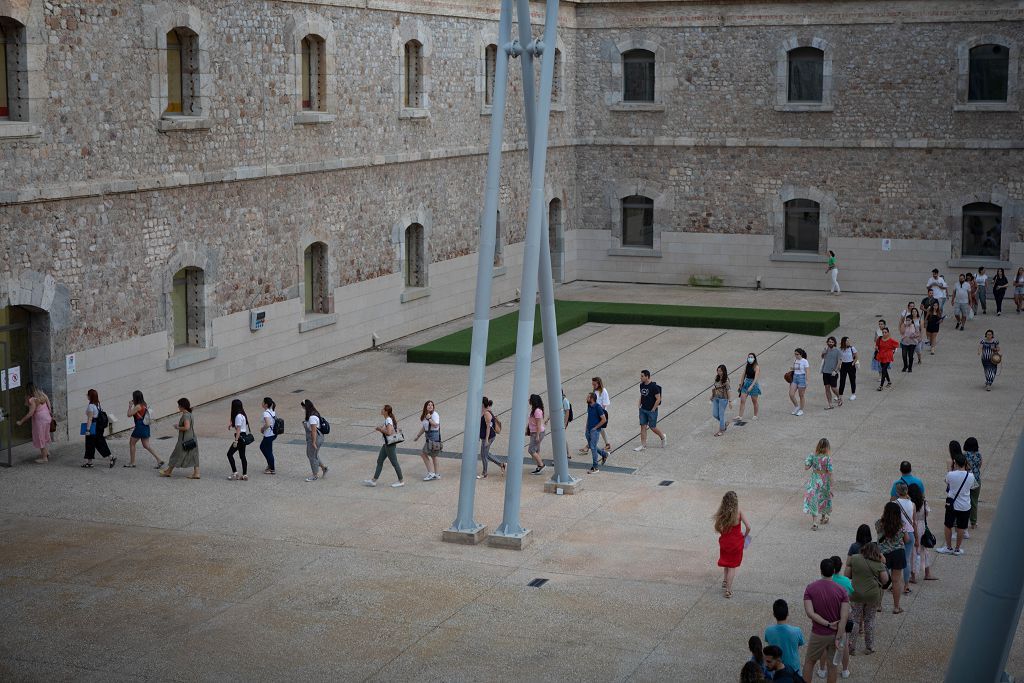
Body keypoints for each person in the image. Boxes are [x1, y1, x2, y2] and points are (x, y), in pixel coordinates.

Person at [802, 558, 850, 683]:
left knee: (809, 662)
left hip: (818, 633)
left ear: (821, 571)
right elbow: (844, 616)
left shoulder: (810, 588)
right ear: (834, 571)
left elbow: (810, 613)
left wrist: (828, 624)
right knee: (832, 666)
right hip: (835, 635)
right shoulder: (842, 591)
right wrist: (839, 636)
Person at [844, 542, 889, 656]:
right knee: (869, 620)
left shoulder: (854, 558)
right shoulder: (879, 563)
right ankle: (869, 647)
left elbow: (847, 575)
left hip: (856, 594)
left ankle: (850, 647)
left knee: (854, 620)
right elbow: (885, 580)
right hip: (872, 596)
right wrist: (883, 561)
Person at [714, 490, 750, 599]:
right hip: (736, 542)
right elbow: (748, 527)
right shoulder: (739, 512)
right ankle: (728, 590)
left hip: (725, 541)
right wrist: (744, 536)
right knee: (732, 566)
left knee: (726, 561)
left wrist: (723, 533)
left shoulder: (722, 513)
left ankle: (725, 581)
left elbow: (717, 526)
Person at [937, 451, 974, 556]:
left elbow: (946, 481)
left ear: (956, 463)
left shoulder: (951, 474)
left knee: (948, 525)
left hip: (952, 504)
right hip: (965, 505)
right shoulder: (970, 476)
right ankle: (957, 549)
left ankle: (948, 547)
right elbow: (972, 486)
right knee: (961, 527)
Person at [875, 502, 908, 613]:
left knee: (881, 580)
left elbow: (879, 537)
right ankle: (896, 607)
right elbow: (906, 539)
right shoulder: (902, 524)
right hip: (898, 553)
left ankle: (878, 605)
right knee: (896, 581)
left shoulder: (879, 523)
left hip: (883, 554)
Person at [364, 405, 405, 487]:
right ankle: (373, 480)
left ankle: (401, 481)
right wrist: (381, 429)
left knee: (394, 463)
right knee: (380, 461)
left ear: (386, 411)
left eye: (383, 409)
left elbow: (389, 432)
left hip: (390, 445)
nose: (381, 410)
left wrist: (380, 429)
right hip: (386, 444)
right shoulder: (388, 419)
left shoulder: (388, 420)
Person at [764, 599, 805, 677]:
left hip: (776, 668)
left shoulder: (768, 630)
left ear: (774, 614)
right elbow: (799, 644)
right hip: (794, 668)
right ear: (788, 613)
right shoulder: (796, 631)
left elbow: (768, 641)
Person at [160, 398, 199, 479]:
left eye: (179, 405)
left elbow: (187, 427)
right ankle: (196, 473)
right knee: (194, 455)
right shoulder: (190, 414)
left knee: (176, 454)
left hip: (184, 439)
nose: (178, 407)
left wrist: (178, 427)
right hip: (192, 437)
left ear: (182, 406)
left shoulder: (185, 415)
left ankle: (168, 471)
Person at [15, 383, 53, 464]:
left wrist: (21, 421)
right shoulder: (42, 394)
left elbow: (30, 413)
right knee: (45, 436)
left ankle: (44, 458)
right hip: (47, 417)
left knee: (40, 437)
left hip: (40, 420)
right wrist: (50, 413)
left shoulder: (32, 400)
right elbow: (49, 404)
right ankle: (47, 452)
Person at [124, 390, 162, 468]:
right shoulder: (144, 404)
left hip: (139, 427)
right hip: (145, 426)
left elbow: (129, 414)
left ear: (135, 398)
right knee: (146, 445)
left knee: (132, 443)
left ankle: (132, 462)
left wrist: (130, 406)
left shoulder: (138, 406)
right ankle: (159, 459)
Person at [907, 483, 937, 581]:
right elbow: (927, 513)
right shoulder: (924, 502)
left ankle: (913, 575)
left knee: (913, 551)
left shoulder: (910, 504)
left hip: (913, 527)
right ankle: (927, 573)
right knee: (924, 550)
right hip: (923, 526)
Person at [804, 438, 834, 530]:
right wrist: (831, 486)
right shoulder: (828, 458)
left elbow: (806, 467)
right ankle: (823, 517)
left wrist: (810, 462)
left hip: (815, 480)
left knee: (814, 499)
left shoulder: (812, 455)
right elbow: (830, 473)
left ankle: (814, 522)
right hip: (824, 480)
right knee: (824, 498)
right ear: (827, 447)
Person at [634, 369, 666, 450]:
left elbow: (658, 398)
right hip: (643, 409)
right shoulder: (641, 385)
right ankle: (643, 445)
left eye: (642, 376)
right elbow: (642, 395)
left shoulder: (654, 387)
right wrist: (639, 404)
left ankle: (663, 437)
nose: (640, 378)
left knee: (652, 427)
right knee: (643, 426)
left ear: (647, 377)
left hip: (651, 410)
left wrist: (653, 409)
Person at [82, 389, 113, 468]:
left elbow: (90, 419)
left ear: (90, 396)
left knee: (90, 444)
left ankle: (90, 462)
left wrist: (88, 430)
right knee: (99, 443)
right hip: (99, 427)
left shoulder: (91, 406)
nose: (86, 395)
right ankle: (110, 457)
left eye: (87, 394)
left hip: (93, 427)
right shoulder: (97, 404)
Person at [893, 482, 916, 589]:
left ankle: (893, 584)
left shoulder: (894, 504)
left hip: (898, 534)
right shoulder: (912, 504)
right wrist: (917, 538)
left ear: (897, 492)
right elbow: (914, 521)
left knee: (893, 559)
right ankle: (906, 585)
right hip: (910, 532)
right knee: (906, 560)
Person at [300, 399, 328, 482]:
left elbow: (314, 431)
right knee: (313, 455)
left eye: (303, 407)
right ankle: (324, 468)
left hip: (315, 438)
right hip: (316, 437)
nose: (302, 409)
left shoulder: (312, 417)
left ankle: (315, 475)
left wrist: (313, 442)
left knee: (312, 456)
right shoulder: (314, 413)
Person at [413, 400, 442, 481]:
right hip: (429, 436)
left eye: (432, 405)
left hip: (433, 437)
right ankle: (436, 474)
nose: (430, 406)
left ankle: (431, 473)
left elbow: (436, 425)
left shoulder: (434, 414)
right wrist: (418, 436)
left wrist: (429, 418)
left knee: (423, 454)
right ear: (425, 406)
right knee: (434, 456)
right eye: (428, 405)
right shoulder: (425, 415)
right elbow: (424, 427)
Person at [478, 397, 504, 478]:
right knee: (486, 454)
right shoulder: (485, 411)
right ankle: (501, 464)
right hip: (486, 437)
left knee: (483, 455)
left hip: (488, 437)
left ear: (482, 403)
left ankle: (484, 473)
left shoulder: (486, 413)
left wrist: (486, 440)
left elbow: (488, 427)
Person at [225, 399, 250, 481]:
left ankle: (235, 473)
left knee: (229, 454)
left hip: (239, 437)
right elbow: (241, 426)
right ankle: (245, 474)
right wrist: (231, 423)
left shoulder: (238, 416)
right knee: (242, 456)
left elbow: (238, 430)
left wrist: (236, 441)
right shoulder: (242, 415)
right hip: (243, 436)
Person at [584, 392, 609, 474]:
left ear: (592, 399)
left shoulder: (598, 407)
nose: (586, 398)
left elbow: (603, 419)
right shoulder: (589, 406)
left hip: (595, 431)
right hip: (588, 430)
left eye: (588, 397)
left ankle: (595, 467)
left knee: (593, 448)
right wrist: (586, 427)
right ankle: (604, 454)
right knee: (592, 446)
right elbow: (589, 417)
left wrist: (595, 428)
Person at [963, 437, 982, 531]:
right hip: (977, 479)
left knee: (965, 500)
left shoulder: (965, 455)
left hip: (967, 479)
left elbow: (964, 467)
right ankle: (973, 522)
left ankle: (964, 521)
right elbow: (980, 465)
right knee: (974, 501)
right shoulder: (979, 455)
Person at [735, 352, 761, 422]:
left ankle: (755, 415)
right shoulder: (747, 365)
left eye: (752, 357)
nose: (750, 358)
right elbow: (743, 374)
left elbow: (756, 378)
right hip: (746, 383)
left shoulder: (756, 367)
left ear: (754, 358)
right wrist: (741, 384)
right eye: (749, 357)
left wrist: (751, 386)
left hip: (753, 384)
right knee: (742, 400)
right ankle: (740, 416)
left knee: (754, 401)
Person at [709, 364, 731, 436]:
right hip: (716, 398)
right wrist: (712, 396)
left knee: (721, 415)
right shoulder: (717, 378)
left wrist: (730, 401)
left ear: (724, 371)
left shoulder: (726, 380)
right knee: (715, 414)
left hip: (723, 399)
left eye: (720, 371)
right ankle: (724, 423)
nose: (719, 372)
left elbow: (728, 390)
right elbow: (715, 388)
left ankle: (721, 430)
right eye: (718, 371)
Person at [526, 394, 546, 475]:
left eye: (530, 399)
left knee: (531, 450)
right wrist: (528, 430)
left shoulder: (537, 411)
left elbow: (538, 424)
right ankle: (539, 465)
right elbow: (532, 422)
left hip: (537, 433)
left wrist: (537, 435)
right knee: (536, 450)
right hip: (534, 432)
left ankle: (541, 465)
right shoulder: (534, 410)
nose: (528, 400)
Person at [820, 337, 841, 409]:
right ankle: (830, 404)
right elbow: (822, 357)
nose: (830, 343)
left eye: (832, 342)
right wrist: (823, 353)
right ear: (827, 342)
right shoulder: (826, 350)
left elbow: (839, 362)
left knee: (833, 388)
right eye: (829, 342)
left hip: (833, 373)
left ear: (834, 343)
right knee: (827, 388)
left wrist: (835, 371)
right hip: (825, 372)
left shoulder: (838, 351)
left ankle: (839, 397)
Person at [788, 348, 809, 416]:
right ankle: (797, 406)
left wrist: (807, 380)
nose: (796, 355)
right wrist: (792, 369)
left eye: (797, 354)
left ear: (801, 354)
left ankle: (801, 410)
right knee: (791, 394)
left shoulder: (805, 361)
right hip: (795, 378)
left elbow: (807, 371)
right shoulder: (795, 360)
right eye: (795, 354)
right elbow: (796, 368)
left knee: (801, 395)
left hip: (802, 378)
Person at [259, 397, 277, 475]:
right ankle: (270, 464)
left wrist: (262, 429)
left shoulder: (266, 413)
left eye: (263, 402)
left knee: (268, 451)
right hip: (273, 433)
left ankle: (272, 468)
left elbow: (268, 424)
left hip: (268, 434)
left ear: (266, 404)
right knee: (263, 447)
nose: (262, 403)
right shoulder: (272, 411)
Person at [836, 338, 857, 403]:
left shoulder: (852, 348)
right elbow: (839, 358)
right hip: (843, 365)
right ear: (844, 342)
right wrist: (839, 366)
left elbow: (856, 357)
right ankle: (840, 395)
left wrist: (853, 363)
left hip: (851, 365)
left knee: (852, 380)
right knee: (842, 381)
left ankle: (853, 394)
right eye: (847, 341)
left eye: (848, 341)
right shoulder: (840, 349)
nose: (848, 342)